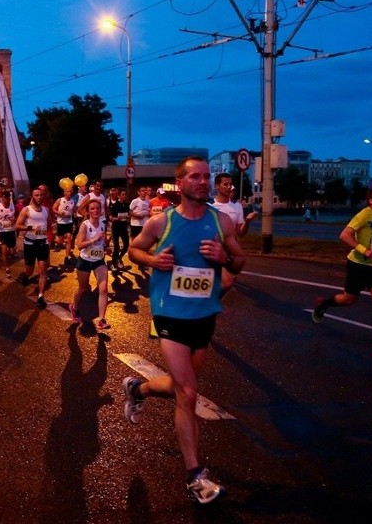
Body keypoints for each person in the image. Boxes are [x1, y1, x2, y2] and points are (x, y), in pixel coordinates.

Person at [126, 156, 246, 504]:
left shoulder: (220, 221)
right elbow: (135, 250)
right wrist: (154, 260)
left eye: (206, 177)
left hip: (203, 313)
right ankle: (196, 477)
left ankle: (139, 389)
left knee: (182, 389)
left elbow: (240, 262)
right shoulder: (161, 222)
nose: (203, 182)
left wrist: (223, 257)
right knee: (189, 393)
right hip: (169, 313)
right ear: (180, 183)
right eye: (195, 176)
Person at [312, 186, 372, 352]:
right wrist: (364, 250)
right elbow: (344, 235)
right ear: (371, 200)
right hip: (358, 265)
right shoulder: (364, 214)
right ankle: (324, 304)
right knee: (349, 299)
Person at [210, 173, 257, 292]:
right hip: (212, 248)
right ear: (217, 186)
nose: (228, 187)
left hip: (229, 250)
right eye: (225, 184)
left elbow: (240, 233)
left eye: (230, 184)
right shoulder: (209, 206)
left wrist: (247, 222)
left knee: (227, 283)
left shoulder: (237, 207)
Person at [69, 198, 110, 329]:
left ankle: (102, 319)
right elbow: (79, 245)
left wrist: (105, 248)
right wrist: (94, 239)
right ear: (88, 211)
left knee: (103, 289)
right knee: (82, 288)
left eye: (98, 208)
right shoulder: (85, 225)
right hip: (85, 261)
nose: (96, 210)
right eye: (92, 208)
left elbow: (102, 243)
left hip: (99, 261)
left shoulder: (103, 224)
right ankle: (74, 307)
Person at [15, 188, 53, 308]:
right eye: (37, 195)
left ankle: (41, 296)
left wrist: (50, 237)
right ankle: (25, 275)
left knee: (43, 270)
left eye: (41, 195)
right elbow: (17, 225)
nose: (39, 197)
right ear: (32, 197)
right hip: (30, 243)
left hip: (42, 242)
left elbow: (49, 224)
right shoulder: (27, 210)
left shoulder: (46, 210)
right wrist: (30, 228)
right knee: (30, 270)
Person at [0, 190, 17, 278]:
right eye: (4, 197)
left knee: (11, 251)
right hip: (1, 230)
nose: (6, 199)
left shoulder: (12, 205)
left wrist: (14, 220)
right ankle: (7, 268)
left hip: (11, 230)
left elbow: (17, 216)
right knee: (4, 250)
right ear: (2, 198)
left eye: (8, 197)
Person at [106, 187, 129, 271]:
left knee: (126, 245)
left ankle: (119, 258)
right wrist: (116, 218)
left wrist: (128, 217)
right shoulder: (115, 205)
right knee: (116, 247)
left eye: (125, 194)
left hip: (124, 228)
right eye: (122, 194)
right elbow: (111, 217)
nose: (124, 196)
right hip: (116, 228)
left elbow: (128, 215)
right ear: (119, 196)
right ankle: (113, 263)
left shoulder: (126, 204)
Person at [52, 187, 76, 264]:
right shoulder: (60, 200)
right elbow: (53, 208)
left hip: (69, 222)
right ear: (64, 192)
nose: (70, 193)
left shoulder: (72, 201)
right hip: (61, 223)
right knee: (61, 241)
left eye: (71, 191)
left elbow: (73, 210)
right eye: (68, 191)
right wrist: (59, 213)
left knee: (69, 239)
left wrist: (74, 213)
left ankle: (67, 257)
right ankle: (53, 240)